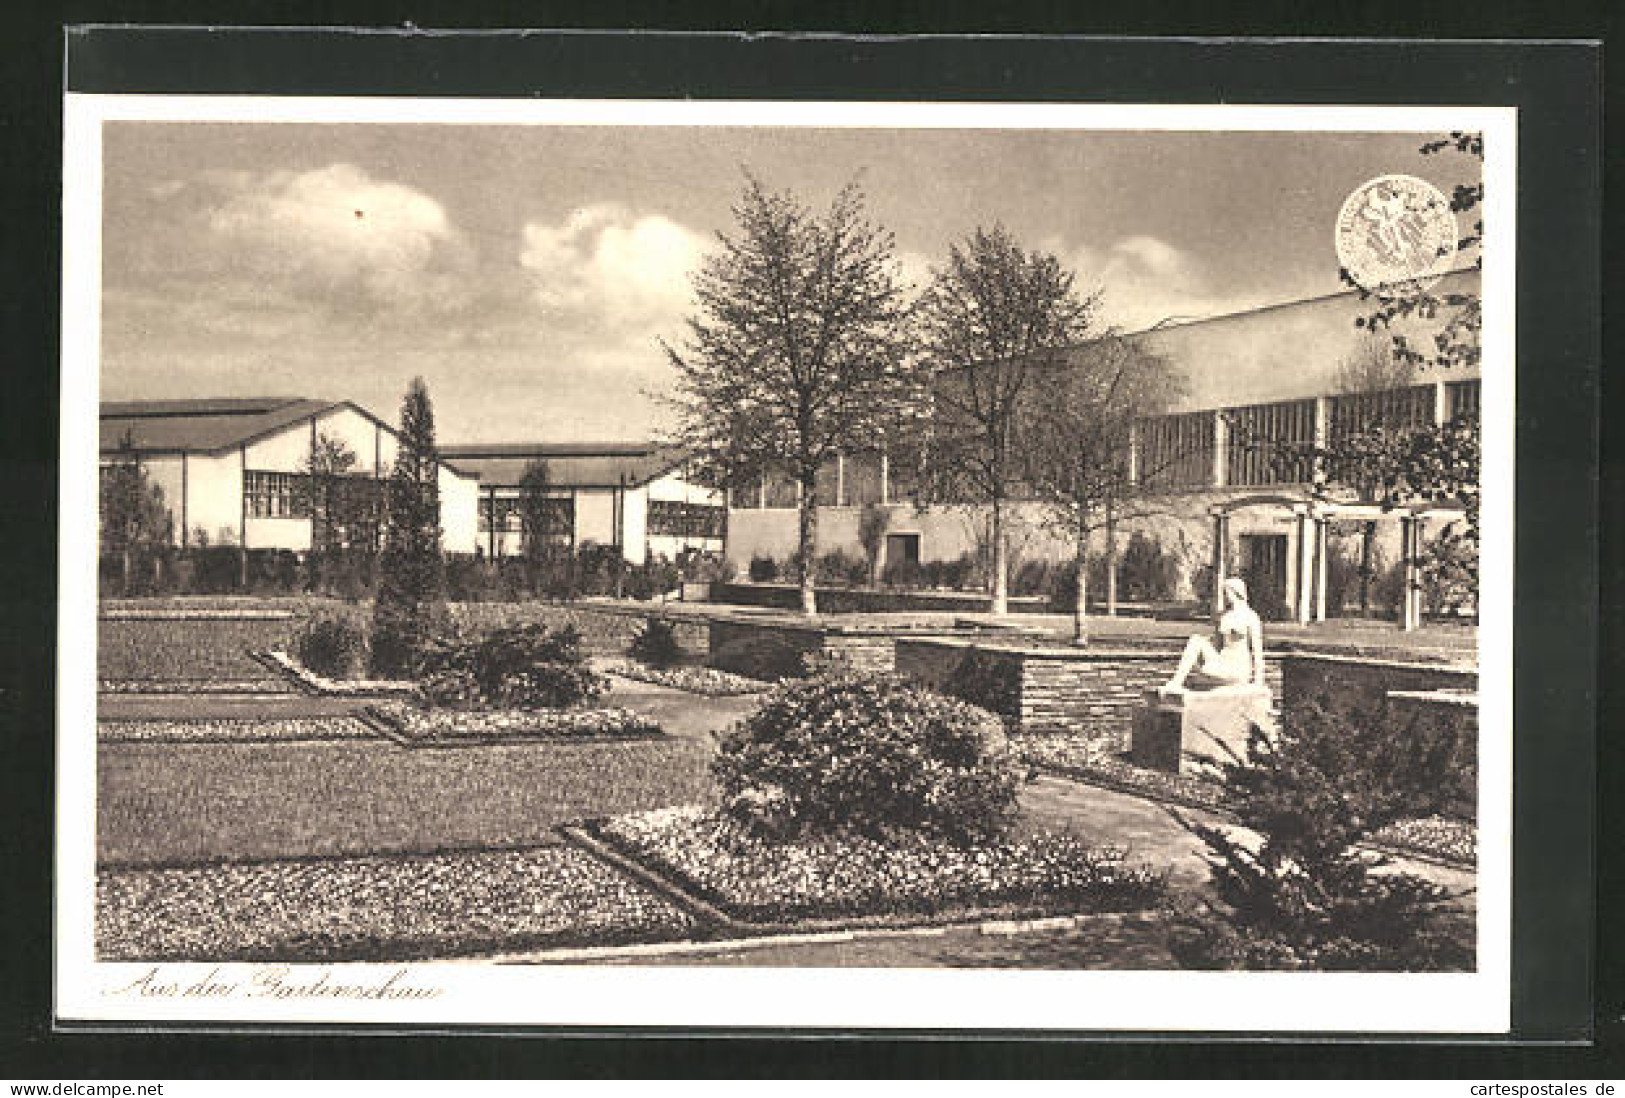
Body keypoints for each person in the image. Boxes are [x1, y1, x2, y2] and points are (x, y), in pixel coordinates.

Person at [1161, 576, 1264, 693]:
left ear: (1236, 592)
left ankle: (1179, 683)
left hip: (1238, 667)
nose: (1225, 596)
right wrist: (1201, 650)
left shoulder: (1250, 617)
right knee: (1196, 639)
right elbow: (1217, 645)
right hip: (1222, 662)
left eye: (1226, 592)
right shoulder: (1225, 617)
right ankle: (1176, 683)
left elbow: (1257, 650)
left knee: (1199, 667)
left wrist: (1258, 681)